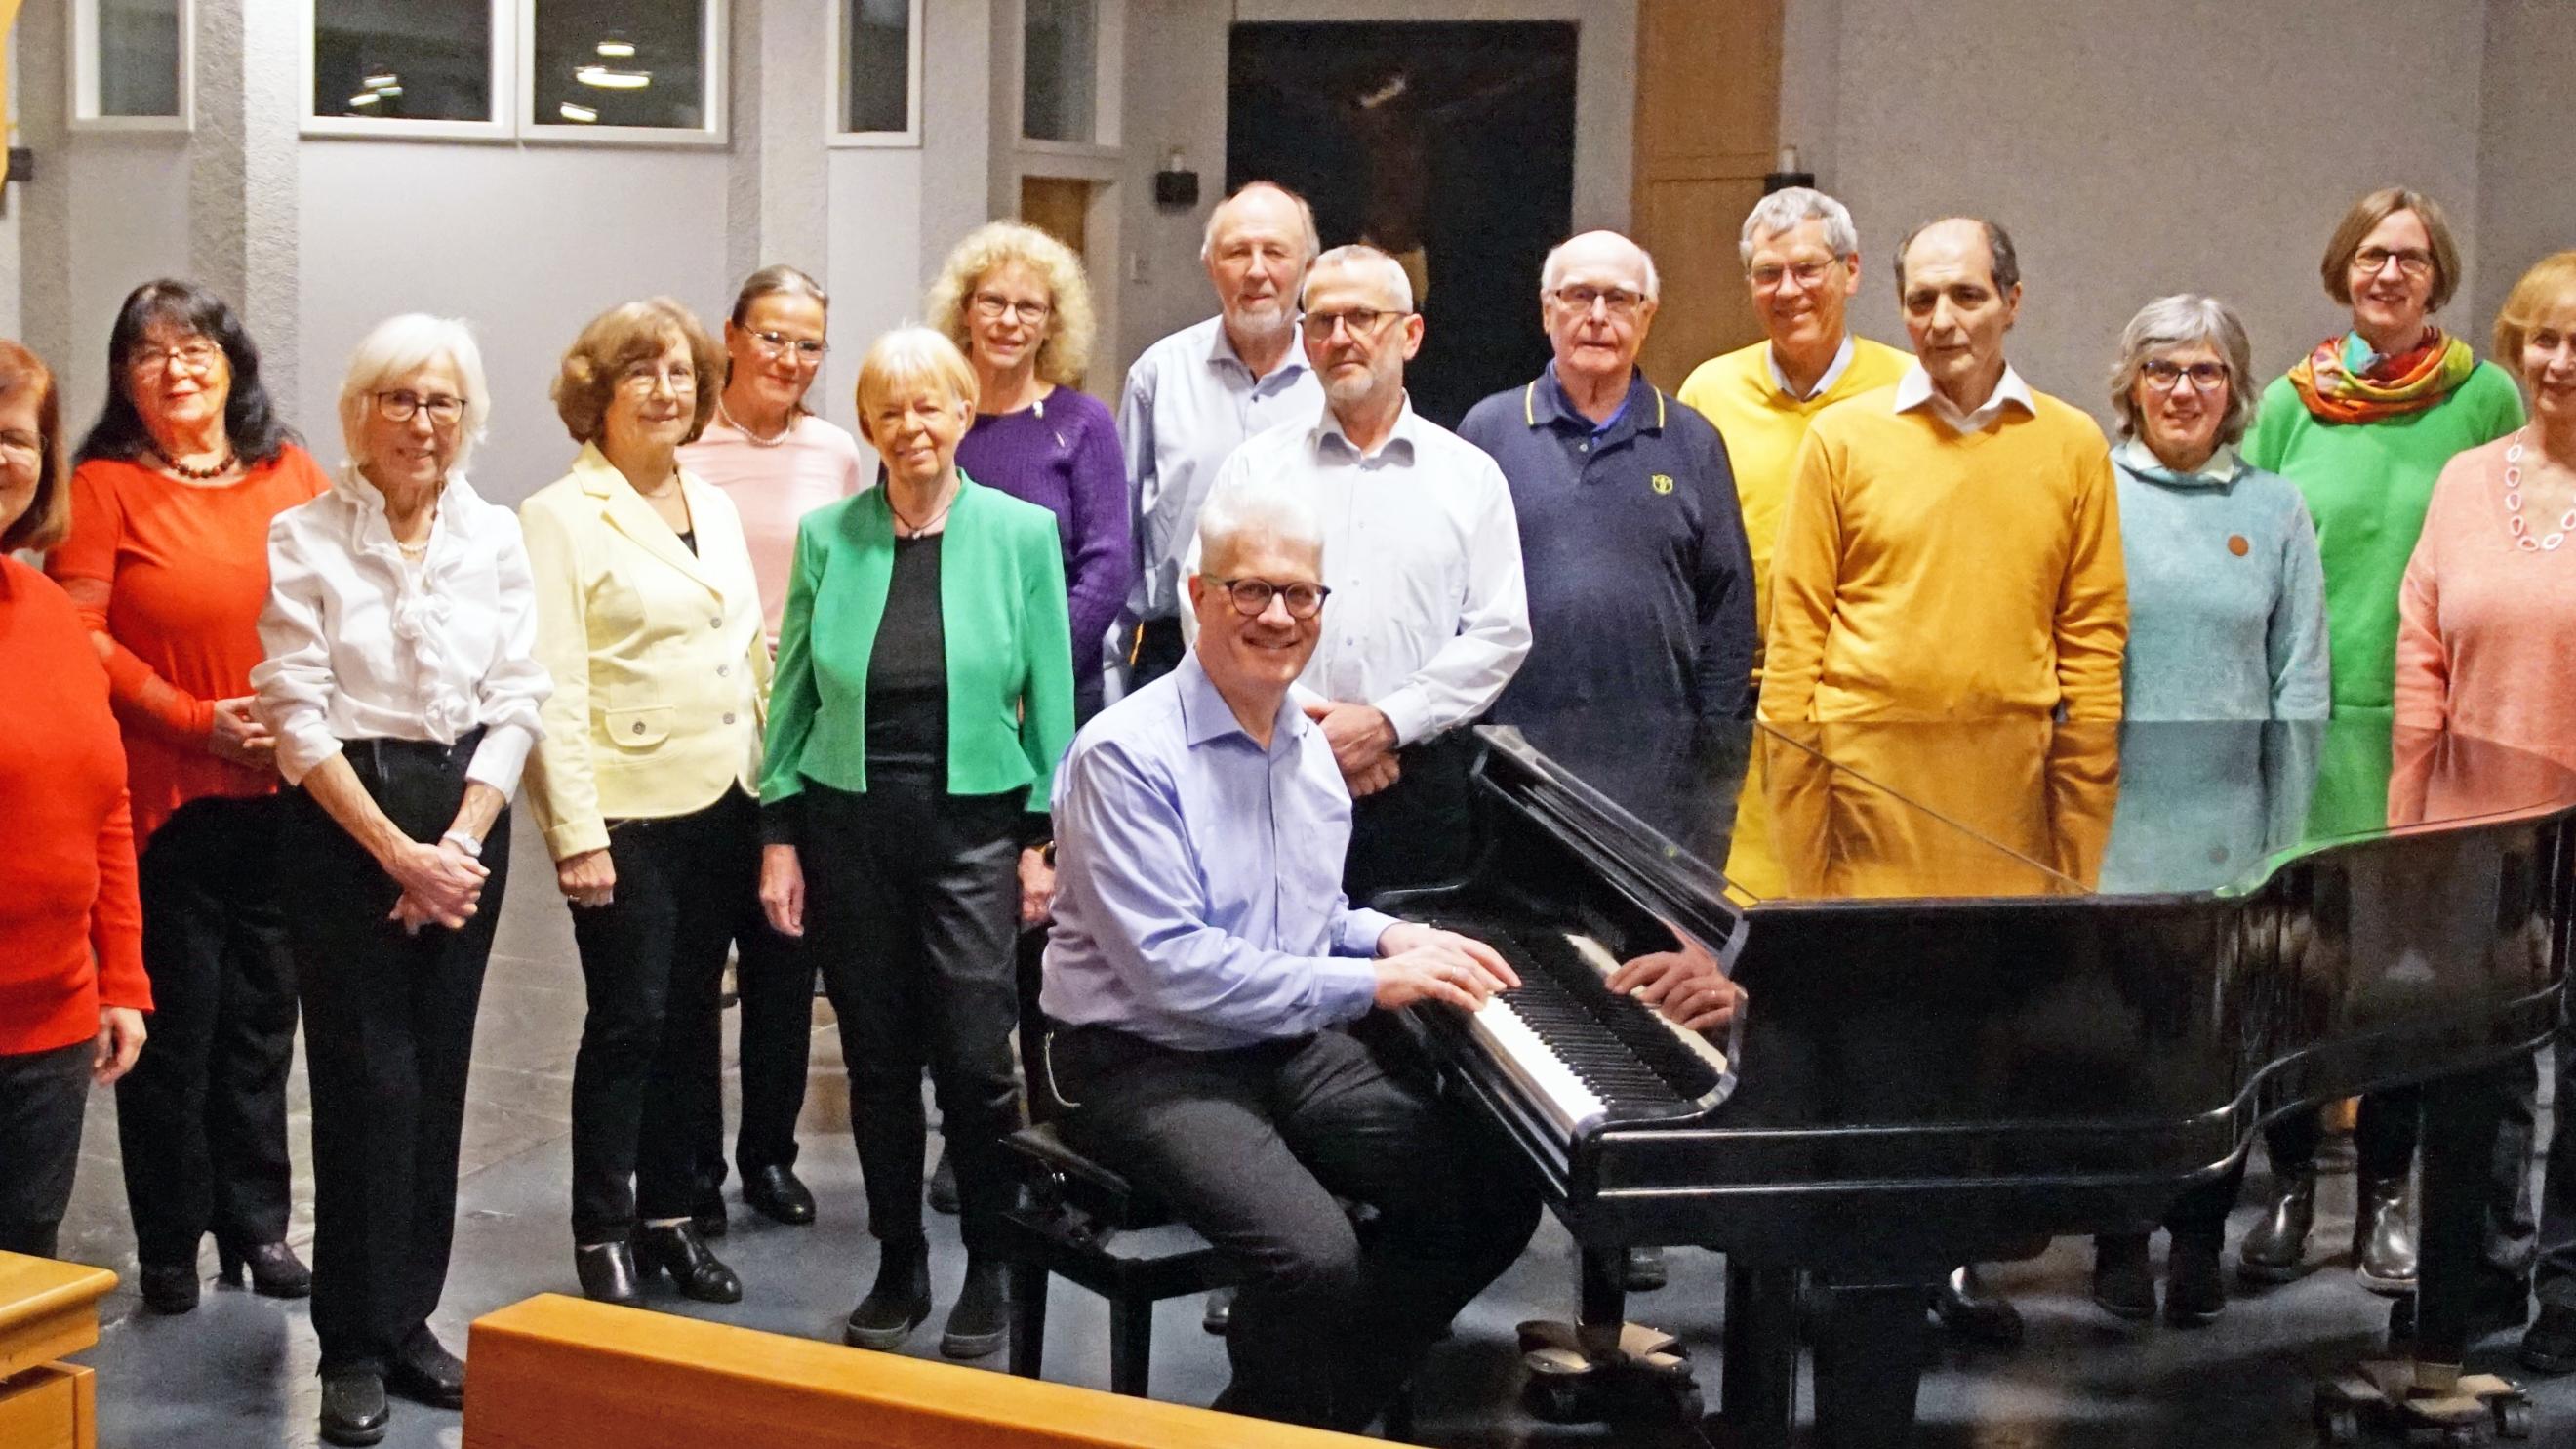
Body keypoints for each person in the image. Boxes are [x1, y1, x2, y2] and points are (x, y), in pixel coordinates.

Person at [1040, 471, 1552, 1431]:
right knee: (1312, 1257)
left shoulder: (1305, 743)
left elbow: (1304, 924)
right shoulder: (1125, 755)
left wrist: (1389, 932)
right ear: (1199, 595)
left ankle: (1314, 1405)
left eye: (1300, 593)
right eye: (1251, 590)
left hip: (1272, 1035)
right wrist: (1371, 980)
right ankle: (1287, 1409)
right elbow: (1176, 968)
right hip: (1140, 1055)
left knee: (1491, 1192)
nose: (1279, 615)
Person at [1760, 216, 2127, 1346]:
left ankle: (1952, 1265)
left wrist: (2079, 841)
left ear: (2012, 301)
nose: (1942, 320)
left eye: (1966, 296)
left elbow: (2094, 638)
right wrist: (1793, 822)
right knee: (1868, 1054)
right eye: (1922, 299)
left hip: (2008, 800)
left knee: (1979, 1055)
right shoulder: (1846, 440)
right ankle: (1859, 1266)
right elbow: (1798, 633)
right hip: (1863, 794)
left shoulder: (2070, 444)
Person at [251, 314, 550, 1445]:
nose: (421, 423)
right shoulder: (306, 536)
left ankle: (413, 1319)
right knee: (363, 1085)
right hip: (348, 828)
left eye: (442, 403)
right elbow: (294, 715)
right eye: (399, 399)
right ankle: (350, 1346)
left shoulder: (497, 535)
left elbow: (519, 696)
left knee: (437, 1084)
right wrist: (397, 853)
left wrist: (460, 843)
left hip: (465, 824)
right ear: (358, 413)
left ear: (467, 420)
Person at [757, 327, 1073, 1360]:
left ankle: (991, 1255)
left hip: (975, 830)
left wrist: (1044, 839)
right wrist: (780, 837)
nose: (913, 428)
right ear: (868, 427)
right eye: (890, 411)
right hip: (850, 828)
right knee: (879, 1059)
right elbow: (794, 694)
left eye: (931, 406)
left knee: (979, 1063)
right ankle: (900, 1263)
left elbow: (1054, 704)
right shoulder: (826, 536)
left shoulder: (1020, 534)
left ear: (963, 415)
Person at [2237, 188, 2526, 1296]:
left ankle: (2391, 1196)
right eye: (2370, 255)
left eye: (2409, 257)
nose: (2388, 273)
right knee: (2300, 974)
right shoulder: (2288, 404)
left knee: (2403, 978)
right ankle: (2299, 1187)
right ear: (2342, 271)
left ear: (2437, 275)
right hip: (2306, 726)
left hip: (2431, 732)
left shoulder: (2483, 395)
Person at [48, 280, 328, 1313]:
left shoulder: (290, 469)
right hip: (161, 795)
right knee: (173, 1028)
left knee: (264, 1021)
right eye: (150, 353)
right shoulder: (103, 484)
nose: (178, 369)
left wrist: (295, 718)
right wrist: (192, 716)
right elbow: (77, 632)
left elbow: (341, 595)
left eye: (197, 346)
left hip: (285, 791)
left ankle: (257, 1225)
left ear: (233, 359)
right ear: (125, 378)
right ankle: (169, 1237)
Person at [521, 299, 768, 1313]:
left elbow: (746, 652)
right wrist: (576, 834)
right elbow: (553, 685)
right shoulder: (560, 514)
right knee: (628, 1022)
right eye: (643, 374)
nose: (667, 392)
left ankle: (673, 1218)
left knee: (691, 1028)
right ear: (599, 393)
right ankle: (601, 1227)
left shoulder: (707, 501)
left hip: (725, 797)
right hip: (626, 815)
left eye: (681, 373)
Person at [2088, 294, 2328, 1326]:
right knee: (2115, 1053)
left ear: (2235, 392)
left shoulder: (2274, 510)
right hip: (2109, 839)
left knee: (2218, 1059)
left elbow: (2301, 685)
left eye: (2206, 373)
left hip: (2232, 840)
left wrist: (2287, 845)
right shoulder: (2091, 491)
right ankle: (2116, 1243)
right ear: (2131, 385)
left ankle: (2197, 1244)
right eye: (2163, 371)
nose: (2184, 391)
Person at [1190, 243, 1530, 899]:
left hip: (1417, 781)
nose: (1339, 337)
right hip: (1269, 765)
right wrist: (1309, 725)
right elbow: (1204, 605)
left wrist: (1384, 723)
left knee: (1410, 985)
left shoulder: (1470, 477)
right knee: (1269, 975)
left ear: (1410, 333)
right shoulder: (1255, 470)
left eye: (1361, 317)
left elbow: (1500, 633)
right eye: (1320, 321)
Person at [2382, 252, 2576, 1372]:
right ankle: (2473, 1285)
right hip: (2475, 825)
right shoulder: (2465, 482)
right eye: (2543, 339)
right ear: (2516, 346)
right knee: (2478, 1069)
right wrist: (2411, 819)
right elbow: (2421, 652)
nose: (2559, 363)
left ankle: (2571, 1293)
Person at [677, 264, 865, 1230]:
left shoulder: (836, 453)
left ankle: (771, 1155)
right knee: (702, 952)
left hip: (800, 727)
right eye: (773, 337)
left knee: (787, 955)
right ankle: (695, 1172)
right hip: (702, 725)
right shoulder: (681, 445)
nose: (789, 359)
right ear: (732, 336)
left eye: (808, 344)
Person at [1460, 228, 1755, 802]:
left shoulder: (1694, 441)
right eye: (1578, 296)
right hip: (1510, 764)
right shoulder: (1487, 431)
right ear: (1548, 311)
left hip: (1660, 770)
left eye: (1619, 299)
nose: (1597, 316)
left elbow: (1729, 607)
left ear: (1647, 316)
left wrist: (1709, 743)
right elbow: (1449, 593)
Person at [0, 339, 150, 1261]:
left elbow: (107, 804)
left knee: (23, 1286)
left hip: (49, 1020)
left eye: (15, 437)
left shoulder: (48, 608)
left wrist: (119, 979)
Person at [1676, 187, 1912, 681]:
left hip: (1868, 685)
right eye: (1768, 273)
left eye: (1808, 269)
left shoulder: (1909, 391)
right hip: (1739, 684)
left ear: (1851, 271)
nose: (1787, 290)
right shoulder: (1707, 392)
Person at [1119, 181, 1326, 689]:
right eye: (1237, 252)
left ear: (1307, 268)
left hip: (1305, 650)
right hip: (1174, 653)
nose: (1256, 270)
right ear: (1212, 267)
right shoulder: (1158, 376)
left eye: (1275, 251)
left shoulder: (1337, 383)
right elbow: (1121, 534)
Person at [929, 222, 1129, 724]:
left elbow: (1106, 570)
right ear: (965, 310)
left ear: (1051, 324)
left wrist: (1041, 673)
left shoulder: (1084, 423)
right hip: (944, 684)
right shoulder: (930, 418)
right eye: (992, 302)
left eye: (1029, 308)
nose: (1008, 322)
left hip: (1051, 694)